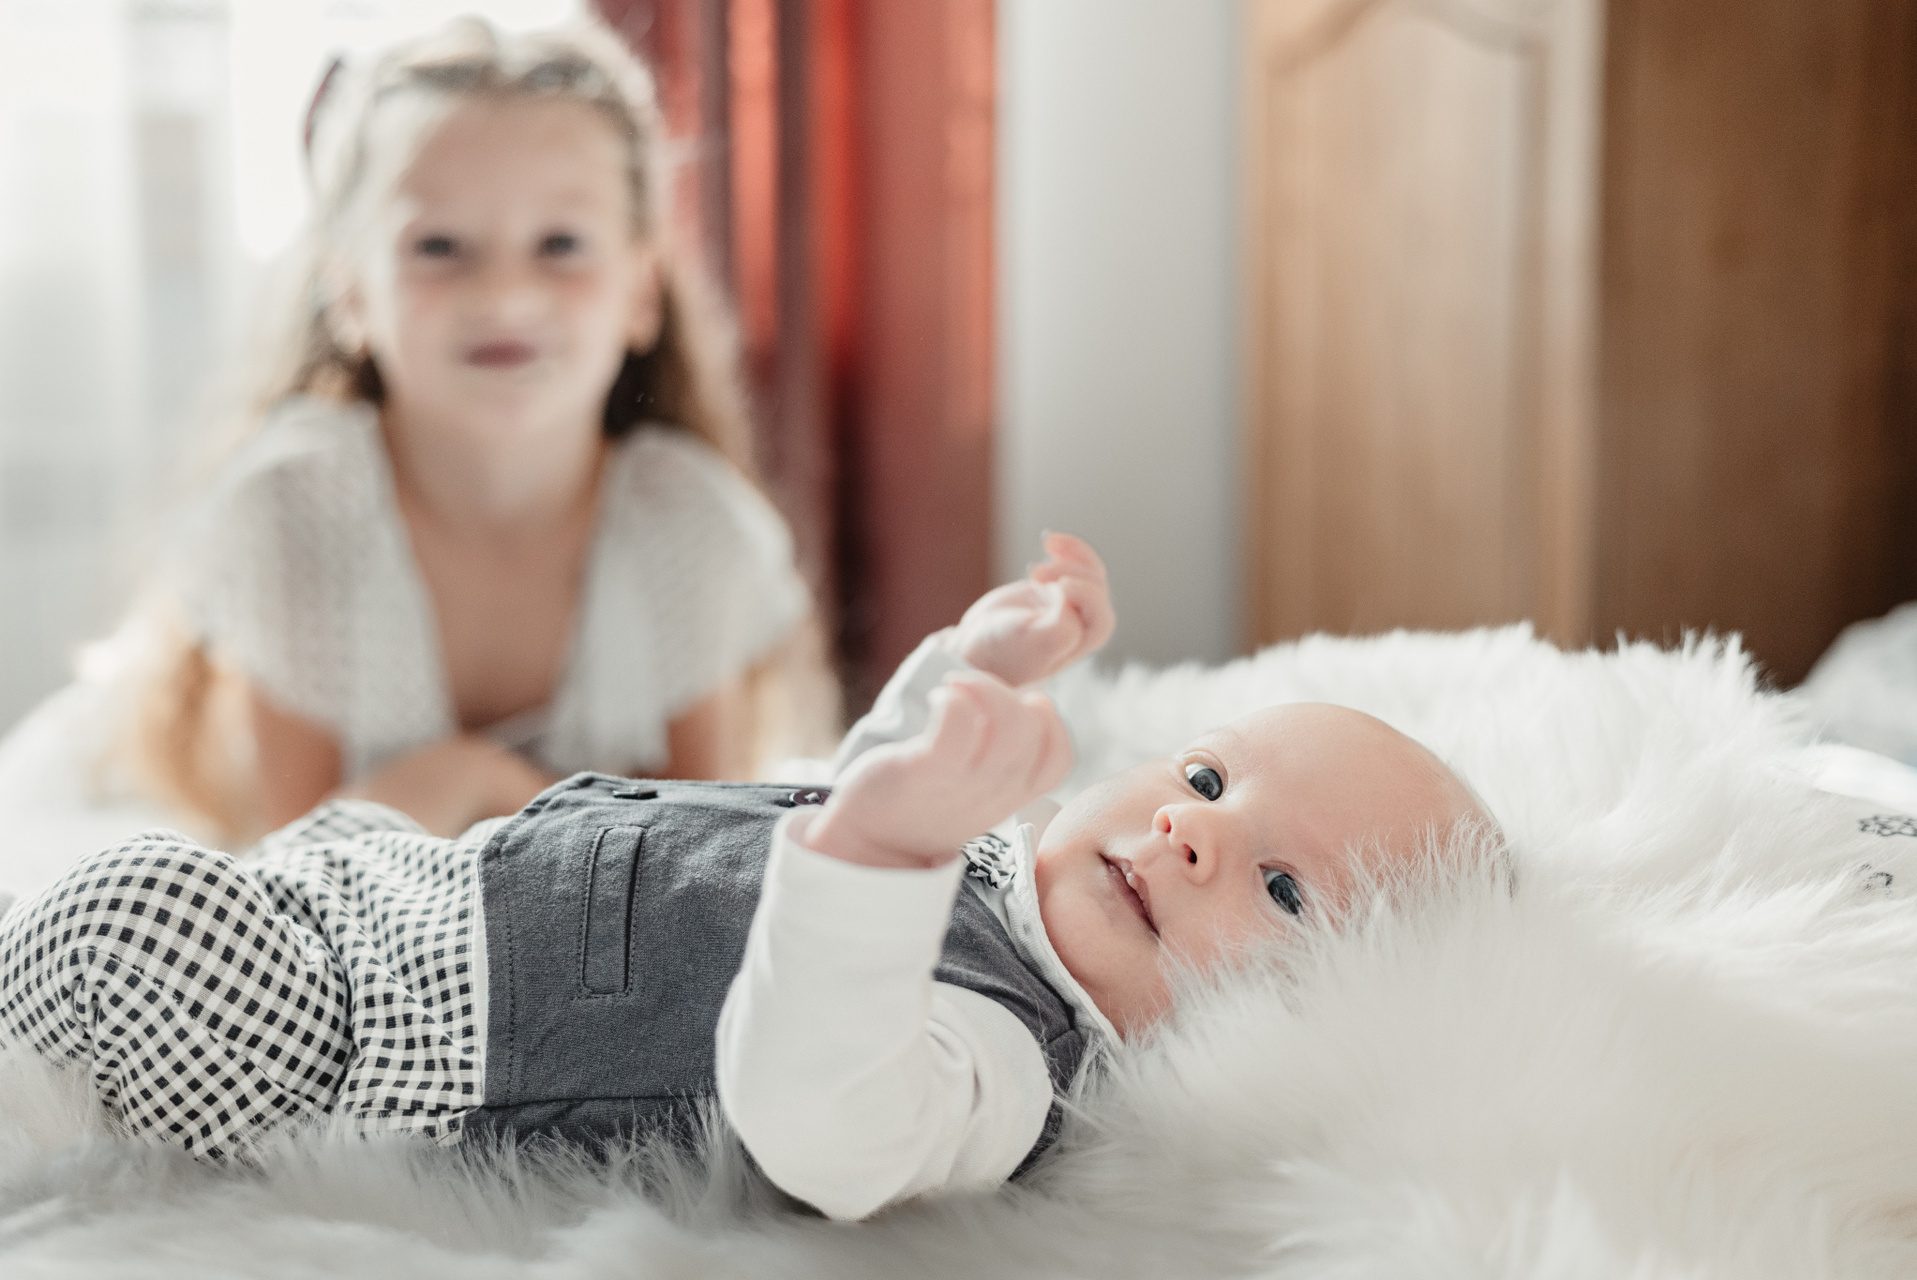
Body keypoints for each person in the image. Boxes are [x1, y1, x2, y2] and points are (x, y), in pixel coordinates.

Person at [0, 535, 1491, 1221]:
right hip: (419, 892)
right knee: (293, 853)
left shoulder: (1003, 1063)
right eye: (1208, 780)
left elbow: (820, 1114)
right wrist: (971, 673)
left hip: (385, 1045)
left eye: (1282, 891)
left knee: (137, 918)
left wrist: (884, 854)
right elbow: (864, 783)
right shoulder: (990, 866)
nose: (1191, 833)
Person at [110, 15, 824, 844]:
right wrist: (480, 789)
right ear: (350, 295)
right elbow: (302, 882)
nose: (504, 295)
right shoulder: (294, 514)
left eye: (560, 243)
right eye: (440, 246)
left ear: (641, 291)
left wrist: (481, 787)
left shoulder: (690, 527)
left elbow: (697, 874)